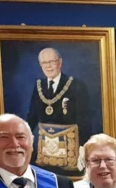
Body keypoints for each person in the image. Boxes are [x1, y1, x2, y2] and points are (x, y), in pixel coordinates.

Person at [25, 48, 91, 177]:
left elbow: (84, 118)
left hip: (70, 149)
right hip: (45, 152)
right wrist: (23, 136)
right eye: (44, 63)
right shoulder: (39, 85)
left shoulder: (76, 85)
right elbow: (32, 115)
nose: (48, 66)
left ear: (60, 62)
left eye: (52, 61)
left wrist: (83, 147)